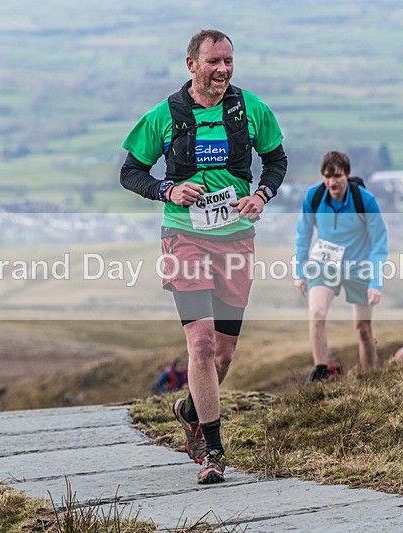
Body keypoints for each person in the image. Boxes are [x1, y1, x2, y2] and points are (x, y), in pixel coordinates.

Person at [120, 29, 287, 484]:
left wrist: (263, 194)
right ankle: (212, 449)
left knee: (225, 355)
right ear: (191, 64)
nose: (223, 69)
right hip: (185, 237)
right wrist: (168, 190)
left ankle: (190, 410)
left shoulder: (251, 109)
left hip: (235, 239)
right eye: (214, 61)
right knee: (201, 344)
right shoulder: (165, 115)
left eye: (229, 60)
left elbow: (276, 160)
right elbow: (131, 172)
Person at [294, 150, 388, 382]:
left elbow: (379, 243)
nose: (332, 182)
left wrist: (376, 282)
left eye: (337, 176)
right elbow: (303, 235)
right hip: (325, 263)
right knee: (316, 313)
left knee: (363, 329)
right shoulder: (314, 197)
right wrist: (299, 272)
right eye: (327, 176)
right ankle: (321, 371)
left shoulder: (364, 200)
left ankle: (369, 378)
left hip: (359, 267)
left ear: (347, 174)